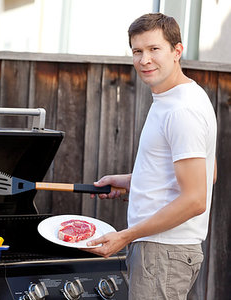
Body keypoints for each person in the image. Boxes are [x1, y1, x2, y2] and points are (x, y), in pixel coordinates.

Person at [85, 13, 217, 300]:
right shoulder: (181, 97)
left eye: (154, 49)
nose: (144, 60)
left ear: (177, 51)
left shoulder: (182, 110)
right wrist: (134, 181)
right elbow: (209, 172)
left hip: (162, 251)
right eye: (137, 51)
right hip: (163, 251)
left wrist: (125, 236)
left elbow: (195, 199)